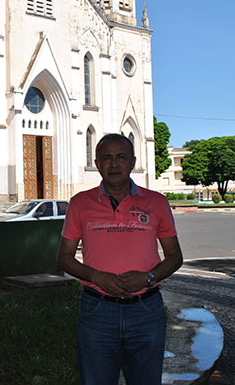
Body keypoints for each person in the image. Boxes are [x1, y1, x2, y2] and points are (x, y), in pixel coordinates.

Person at [56, 133, 183, 385]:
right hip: (97, 311)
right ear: (97, 163)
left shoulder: (157, 202)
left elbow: (175, 257)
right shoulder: (80, 203)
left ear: (133, 161)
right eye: (107, 158)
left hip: (146, 311)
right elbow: (64, 258)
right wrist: (96, 276)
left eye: (121, 157)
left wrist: (148, 278)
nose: (114, 164)